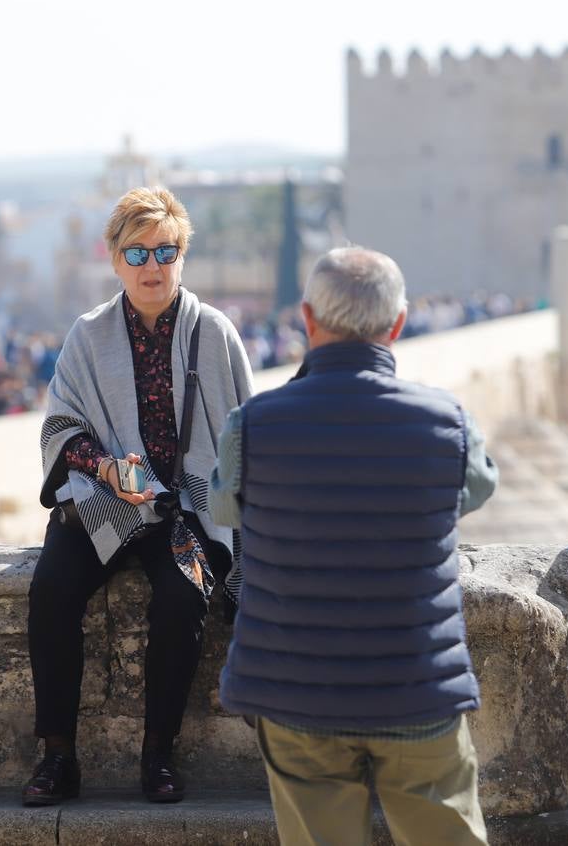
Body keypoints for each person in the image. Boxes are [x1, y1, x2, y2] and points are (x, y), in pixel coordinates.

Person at [213, 246, 499, 846]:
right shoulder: (446, 421)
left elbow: (223, 508)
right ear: (397, 324)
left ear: (307, 319)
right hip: (416, 686)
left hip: (295, 690)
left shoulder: (252, 424)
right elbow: (473, 490)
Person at [25, 186, 253, 807]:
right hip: (103, 501)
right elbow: (58, 427)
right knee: (50, 591)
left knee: (184, 597)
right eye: (138, 254)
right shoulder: (88, 334)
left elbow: (242, 436)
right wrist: (105, 467)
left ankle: (158, 756)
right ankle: (57, 758)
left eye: (165, 251)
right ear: (115, 259)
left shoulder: (215, 333)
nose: (152, 266)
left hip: (184, 508)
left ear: (182, 256)